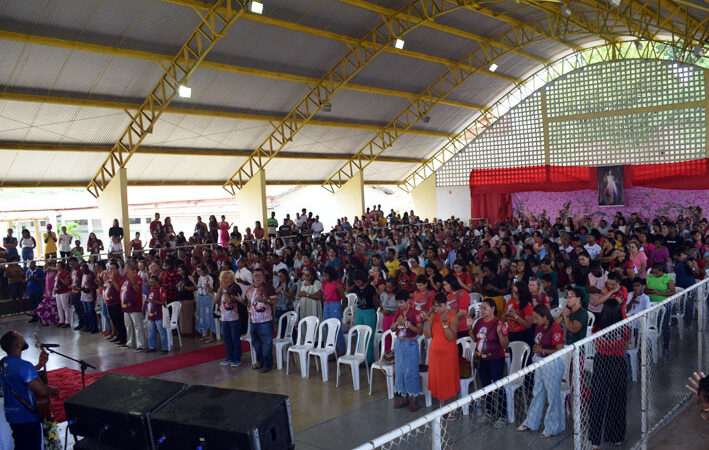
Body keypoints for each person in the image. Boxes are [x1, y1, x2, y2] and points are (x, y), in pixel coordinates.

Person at [0, 331, 60, 450]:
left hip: (12, 415)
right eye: (19, 336)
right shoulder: (24, 365)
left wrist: (39, 365)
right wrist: (53, 390)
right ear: (18, 344)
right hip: (27, 416)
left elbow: (16, 375)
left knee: (21, 444)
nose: (23, 337)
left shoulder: (4, 363)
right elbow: (41, 391)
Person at [588, 295, 630, 449]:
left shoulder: (597, 329)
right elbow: (625, 344)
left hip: (600, 362)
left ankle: (595, 440)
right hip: (617, 364)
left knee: (597, 400)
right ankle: (616, 436)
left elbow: (595, 341)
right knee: (617, 400)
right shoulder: (624, 329)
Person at [518, 304, 565, 437]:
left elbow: (560, 349)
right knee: (537, 392)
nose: (535, 320)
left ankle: (552, 427)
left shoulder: (555, 328)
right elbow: (539, 342)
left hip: (553, 364)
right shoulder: (539, 327)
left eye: (537, 318)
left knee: (552, 396)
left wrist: (543, 350)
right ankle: (531, 421)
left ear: (545, 317)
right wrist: (538, 349)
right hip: (540, 361)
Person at [470, 298, 509, 428]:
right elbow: (475, 338)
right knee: (486, 386)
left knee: (498, 386)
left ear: (493, 309)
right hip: (483, 359)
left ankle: (503, 415)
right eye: (481, 308)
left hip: (496, 359)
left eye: (485, 308)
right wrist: (470, 327)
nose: (482, 311)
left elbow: (505, 345)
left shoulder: (499, 324)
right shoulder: (479, 322)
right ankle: (489, 412)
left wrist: (499, 332)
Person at [424, 293, 460, 411]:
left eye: (439, 306)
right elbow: (427, 335)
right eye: (435, 306)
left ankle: (454, 407)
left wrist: (444, 324)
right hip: (435, 354)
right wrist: (428, 322)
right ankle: (442, 404)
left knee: (450, 379)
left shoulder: (453, 316)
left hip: (448, 354)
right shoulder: (434, 316)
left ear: (446, 305)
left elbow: (451, 337)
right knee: (439, 380)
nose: (437, 309)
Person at [392, 291, 424, 412]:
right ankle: (404, 397)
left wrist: (406, 324)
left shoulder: (416, 313)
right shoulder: (397, 313)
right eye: (398, 303)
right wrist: (396, 324)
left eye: (401, 302)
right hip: (399, 343)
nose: (400, 305)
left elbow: (420, 331)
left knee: (411, 371)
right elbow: (392, 328)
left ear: (408, 301)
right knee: (400, 371)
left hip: (410, 343)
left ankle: (415, 398)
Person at [245, 268, 277, 373]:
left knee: (266, 342)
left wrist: (265, 300)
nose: (257, 278)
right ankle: (260, 361)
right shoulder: (249, 289)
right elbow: (248, 303)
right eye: (255, 275)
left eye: (259, 275)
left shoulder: (268, 288)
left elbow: (276, 300)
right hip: (253, 320)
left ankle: (268, 364)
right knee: (256, 342)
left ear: (263, 277)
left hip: (265, 320)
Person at [350, 268, 380, 364]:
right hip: (360, 311)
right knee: (359, 334)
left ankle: (368, 359)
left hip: (369, 312)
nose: (357, 284)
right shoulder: (357, 288)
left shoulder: (370, 289)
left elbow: (376, 302)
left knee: (369, 336)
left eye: (358, 282)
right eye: (355, 282)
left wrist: (374, 312)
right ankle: (359, 357)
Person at [645, 262, 675, 356]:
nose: (654, 274)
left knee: (664, 324)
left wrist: (659, 293)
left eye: (657, 273)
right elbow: (645, 290)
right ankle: (652, 344)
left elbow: (672, 291)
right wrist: (650, 291)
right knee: (651, 325)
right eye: (653, 273)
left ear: (661, 271)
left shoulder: (668, 278)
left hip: (664, 304)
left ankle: (666, 346)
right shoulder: (649, 277)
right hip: (651, 304)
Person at [215, 270, 244, 367]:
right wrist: (220, 290)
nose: (222, 280)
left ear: (230, 279)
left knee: (235, 339)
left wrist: (224, 290)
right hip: (224, 318)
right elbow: (215, 301)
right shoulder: (223, 288)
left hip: (234, 318)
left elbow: (229, 301)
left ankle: (236, 359)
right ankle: (229, 358)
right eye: (222, 278)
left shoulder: (235, 287)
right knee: (227, 339)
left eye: (224, 278)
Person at [321, 266, 345, 354]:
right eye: (323, 276)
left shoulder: (337, 284)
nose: (324, 278)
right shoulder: (324, 283)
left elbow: (344, 298)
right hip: (327, 305)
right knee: (328, 328)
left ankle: (342, 351)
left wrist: (341, 309)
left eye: (326, 276)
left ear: (331, 275)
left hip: (335, 305)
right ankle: (332, 351)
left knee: (337, 329)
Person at [121, 263, 145, 350]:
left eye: (125, 268)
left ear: (129, 269)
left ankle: (141, 345)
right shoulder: (125, 279)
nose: (123, 269)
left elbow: (137, 289)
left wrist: (132, 279)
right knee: (128, 325)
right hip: (126, 306)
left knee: (138, 326)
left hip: (134, 306)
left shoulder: (137, 277)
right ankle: (130, 342)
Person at [105, 261, 127, 346]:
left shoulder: (120, 278)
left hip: (117, 302)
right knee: (114, 320)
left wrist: (112, 280)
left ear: (117, 269)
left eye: (113, 268)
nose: (111, 270)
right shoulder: (110, 278)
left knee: (119, 321)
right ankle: (118, 335)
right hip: (110, 302)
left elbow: (118, 289)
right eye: (110, 269)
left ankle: (123, 337)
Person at [145, 276, 169, 353]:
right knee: (151, 332)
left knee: (162, 331)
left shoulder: (161, 290)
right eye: (150, 282)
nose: (150, 284)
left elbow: (163, 302)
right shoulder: (151, 290)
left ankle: (165, 348)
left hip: (159, 314)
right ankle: (152, 347)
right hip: (150, 314)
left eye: (152, 282)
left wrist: (153, 301)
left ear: (157, 282)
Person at [195, 265, 216, 342]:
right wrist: (193, 281)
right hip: (200, 298)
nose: (198, 273)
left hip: (207, 298)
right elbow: (198, 288)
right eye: (197, 271)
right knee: (202, 316)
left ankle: (211, 335)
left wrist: (207, 285)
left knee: (208, 316)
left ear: (204, 271)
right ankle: (206, 335)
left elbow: (211, 290)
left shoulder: (209, 278)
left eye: (199, 271)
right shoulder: (200, 278)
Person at [79, 263, 99, 334]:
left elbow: (96, 286)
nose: (82, 271)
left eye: (83, 270)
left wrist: (89, 289)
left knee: (91, 312)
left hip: (90, 295)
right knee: (86, 312)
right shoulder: (83, 275)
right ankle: (89, 325)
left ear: (87, 268)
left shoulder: (91, 275)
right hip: (84, 295)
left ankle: (94, 326)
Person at [53, 260, 72, 328]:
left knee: (65, 307)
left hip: (64, 291)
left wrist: (60, 279)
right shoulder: (58, 273)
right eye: (56, 266)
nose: (57, 267)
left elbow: (66, 283)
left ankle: (67, 321)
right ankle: (61, 320)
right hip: (58, 291)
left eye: (58, 266)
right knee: (59, 307)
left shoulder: (65, 273)